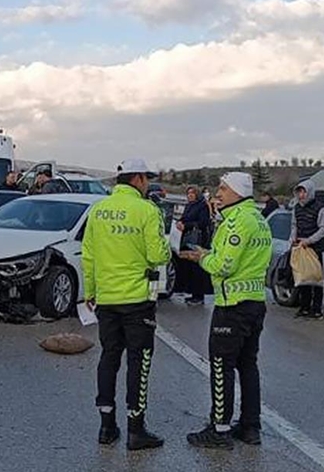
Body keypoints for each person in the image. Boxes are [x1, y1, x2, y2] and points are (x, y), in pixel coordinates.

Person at [82, 158, 170, 451]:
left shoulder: (98, 210)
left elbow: (89, 256)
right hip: (138, 300)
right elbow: (158, 255)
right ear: (139, 179)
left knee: (109, 358)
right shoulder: (147, 210)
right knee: (139, 362)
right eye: (146, 179)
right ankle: (136, 428)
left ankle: (106, 427)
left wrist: (91, 292)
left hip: (106, 299)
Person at [180, 172, 272, 450]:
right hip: (255, 302)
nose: (217, 194)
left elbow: (224, 266)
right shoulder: (257, 218)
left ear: (237, 192)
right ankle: (250, 426)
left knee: (221, 367)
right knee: (247, 364)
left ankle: (219, 430)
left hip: (233, 306)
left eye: (223, 188)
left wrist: (202, 257)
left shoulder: (237, 221)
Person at [290, 179, 324, 319]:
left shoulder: (320, 208)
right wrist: (293, 239)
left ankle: (317, 309)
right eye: (299, 191)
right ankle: (304, 307)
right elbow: (294, 225)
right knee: (303, 278)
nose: (301, 195)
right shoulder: (297, 208)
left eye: (303, 191)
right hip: (301, 249)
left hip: (317, 249)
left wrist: (309, 240)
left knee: (318, 280)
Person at [176, 186, 212, 305]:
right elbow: (184, 218)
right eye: (188, 193)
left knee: (197, 268)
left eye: (192, 193)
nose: (190, 195)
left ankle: (199, 296)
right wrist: (180, 222)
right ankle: (192, 293)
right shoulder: (189, 206)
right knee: (189, 267)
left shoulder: (202, 206)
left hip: (198, 240)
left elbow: (203, 222)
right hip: (187, 239)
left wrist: (187, 226)